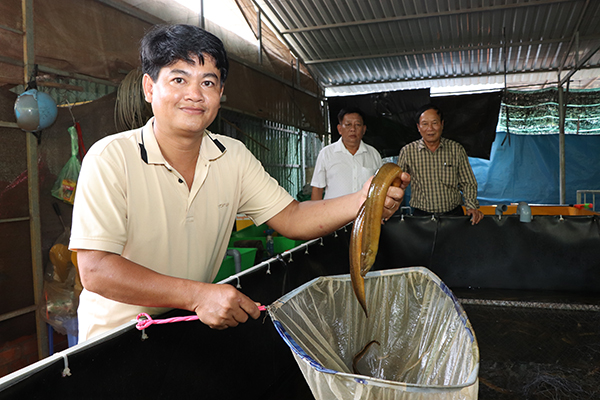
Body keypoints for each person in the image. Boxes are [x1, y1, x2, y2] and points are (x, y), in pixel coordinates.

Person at [69, 24, 410, 341]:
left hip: (187, 326)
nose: (194, 95)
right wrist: (198, 294)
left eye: (208, 82)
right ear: (149, 87)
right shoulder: (110, 158)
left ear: (220, 93)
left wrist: (364, 200)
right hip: (116, 339)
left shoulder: (231, 156)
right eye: (178, 80)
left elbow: (291, 218)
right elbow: (96, 269)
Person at [398, 104, 483, 224]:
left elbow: (468, 182)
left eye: (434, 123)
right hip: (421, 218)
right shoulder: (408, 151)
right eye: (425, 124)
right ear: (418, 127)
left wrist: (471, 206)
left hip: (453, 215)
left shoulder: (456, 149)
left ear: (442, 124)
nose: (430, 128)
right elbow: (397, 185)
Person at [311, 107, 383, 200]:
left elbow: (380, 188)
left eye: (357, 124)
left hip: (365, 214)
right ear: (339, 129)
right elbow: (317, 189)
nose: (353, 129)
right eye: (348, 124)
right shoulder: (326, 154)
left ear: (364, 129)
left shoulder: (373, 154)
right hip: (334, 214)